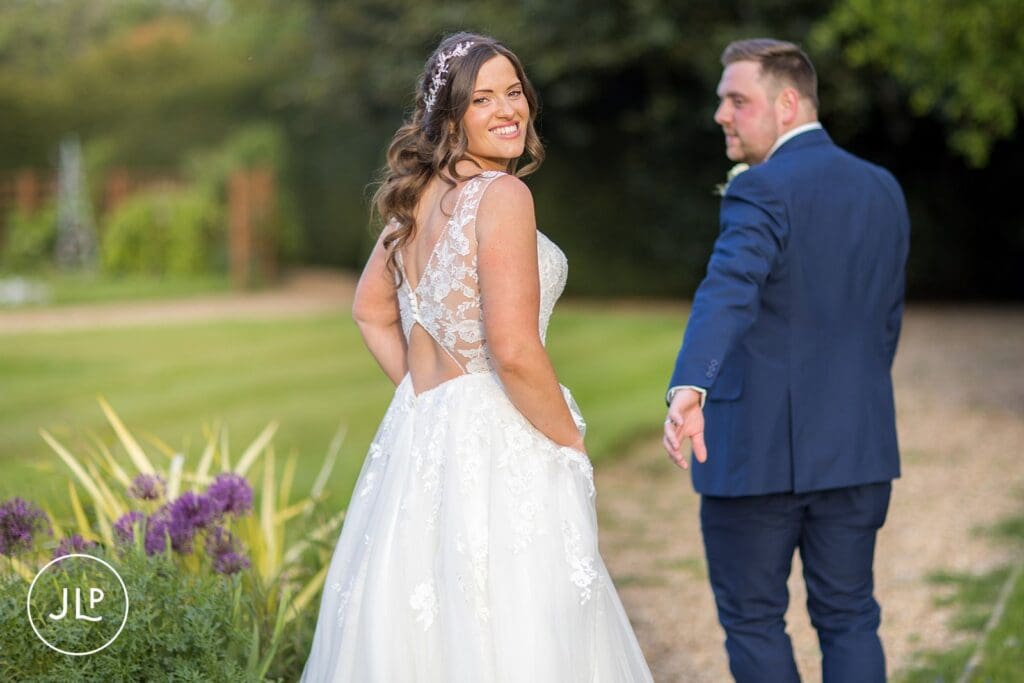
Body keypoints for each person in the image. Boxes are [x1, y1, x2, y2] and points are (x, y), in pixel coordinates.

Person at [302, 32, 653, 682]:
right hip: (498, 438)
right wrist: (569, 439)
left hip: (420, 433)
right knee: (514, 625)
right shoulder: (501, 196)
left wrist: (426, 394)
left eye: (513, 92)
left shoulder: (413, 203)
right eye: (483, 98)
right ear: (451, 116)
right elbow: (512, 349)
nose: (508, 110)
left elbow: (370, 311)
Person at [663, 39, 910, 682]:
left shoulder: (760, 188)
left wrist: (691, 384)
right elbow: (885, 324)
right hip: (856, 446)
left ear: (788, 103)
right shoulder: (882, 189)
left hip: (756, 452)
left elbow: (729, 288)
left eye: (737, 100)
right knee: (850, 615)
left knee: (753, 620)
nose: (721, 114)